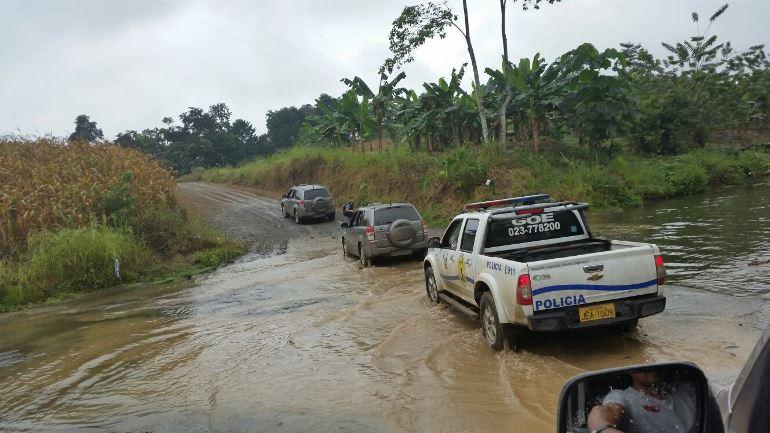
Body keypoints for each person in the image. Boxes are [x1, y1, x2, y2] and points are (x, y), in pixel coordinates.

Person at [587, 371, 697, 433]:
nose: (648, 366)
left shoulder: (688, 390)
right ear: (629, 367)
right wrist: (606, 430)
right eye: (642, 361)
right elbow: (603, 412)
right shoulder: (623, 397)